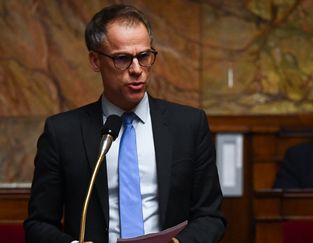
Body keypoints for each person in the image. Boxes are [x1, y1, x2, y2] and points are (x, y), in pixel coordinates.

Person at [24, 4, 225, 243]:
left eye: (144, 56)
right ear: (95, 60)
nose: (137, 70)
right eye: (122, 59)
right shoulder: (62, 133)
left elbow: (211, 217)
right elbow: (38, 224)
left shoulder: (189, 125)